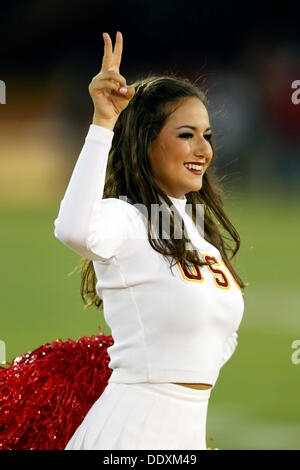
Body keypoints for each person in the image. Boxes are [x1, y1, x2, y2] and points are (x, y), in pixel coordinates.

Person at [54, 31, 246, 450]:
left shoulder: (197, 233)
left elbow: (217, 335)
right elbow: (72, 229)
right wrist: (104, 122)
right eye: (185, 134)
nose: (203, 149)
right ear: (146, 141)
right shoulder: (126, 218)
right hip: (126, 436)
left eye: (207, 135)